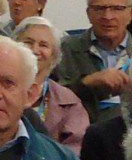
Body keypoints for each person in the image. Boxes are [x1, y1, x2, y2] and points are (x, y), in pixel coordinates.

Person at [55, 0, 132, 123]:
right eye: (99, 9)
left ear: (130, 14)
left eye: (117, 8)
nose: (107, 16)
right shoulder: (63, 50)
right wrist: (87, 83)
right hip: (77, 132)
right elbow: (47, 100)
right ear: (88, 14)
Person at [12, 15, 88, 150]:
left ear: (54, 56)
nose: (34, 50)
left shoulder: (68, 101)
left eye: (43, 45)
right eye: (28, 42)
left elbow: (73, 154)